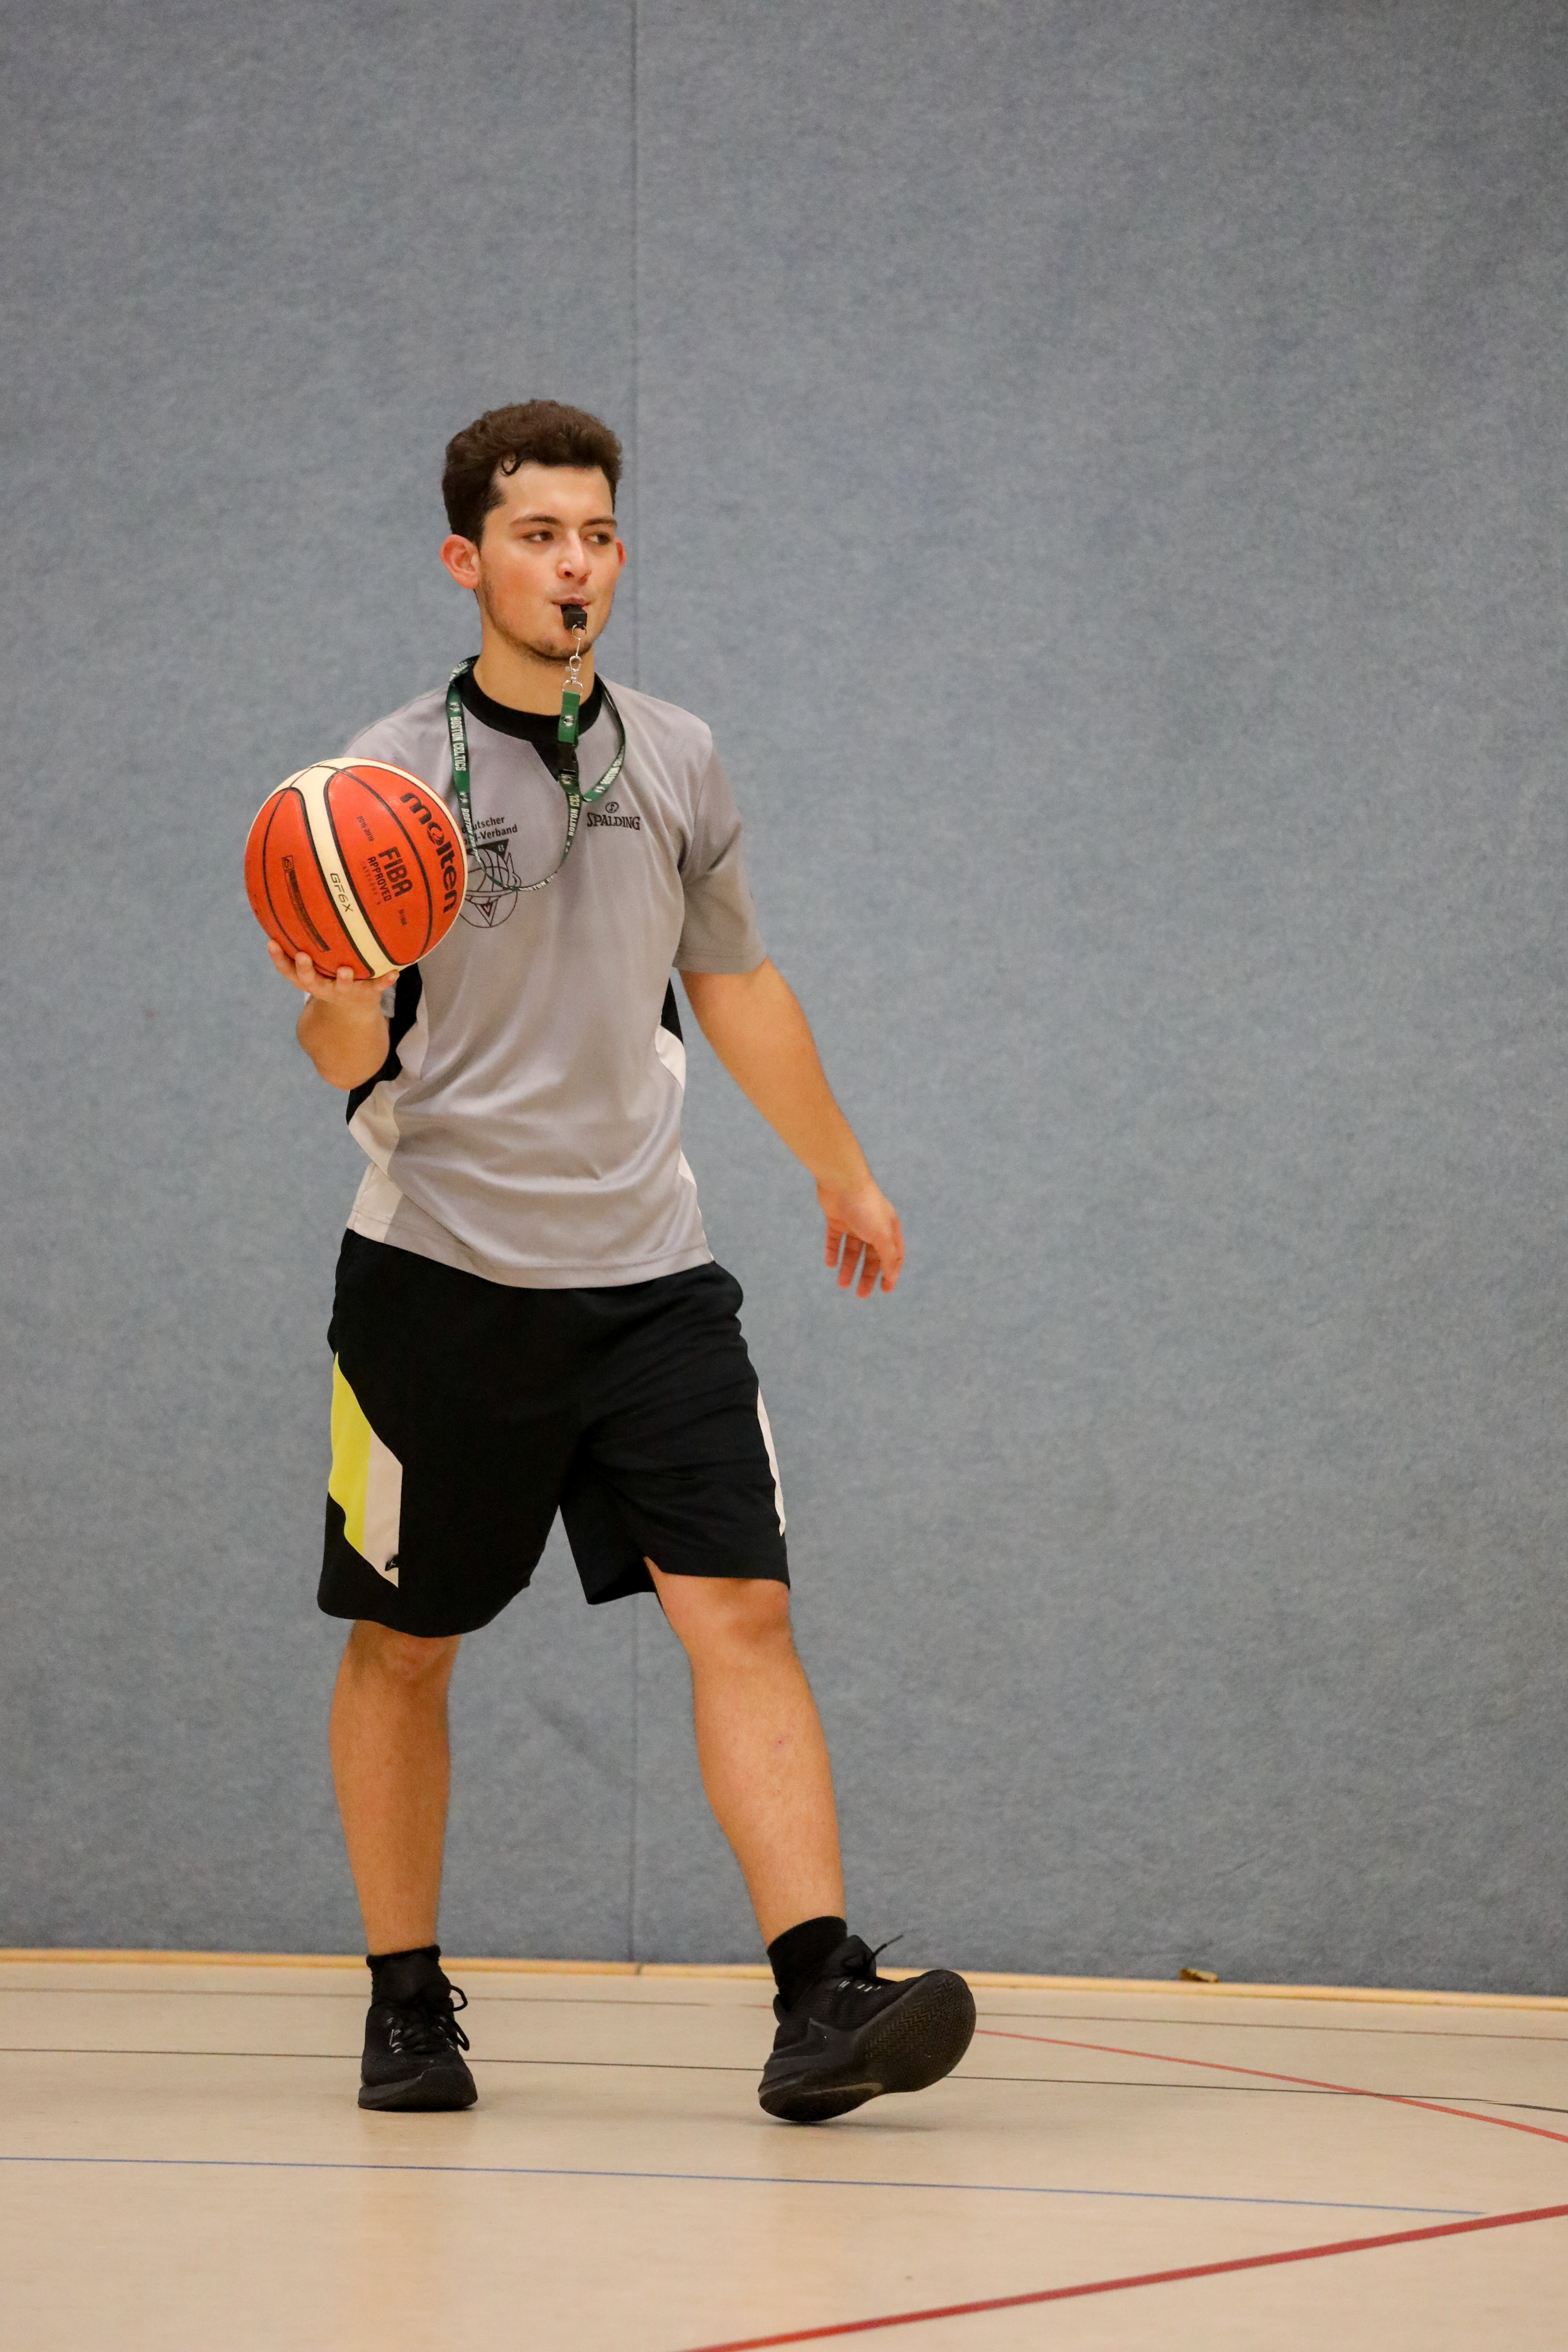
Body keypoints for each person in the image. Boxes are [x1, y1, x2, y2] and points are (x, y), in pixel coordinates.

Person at [266, 399, 975, 2122]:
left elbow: (732, 981)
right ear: (468, 561)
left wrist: (842, 1169)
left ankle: (819, 1996)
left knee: (743, 1607)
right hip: (439, 1280)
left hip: (653, 1278)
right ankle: (406, 2005)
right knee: (406, 1645)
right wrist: (337, 991)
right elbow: (342, 1046)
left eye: (595, 536)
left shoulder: (677, 757)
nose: (572, 564)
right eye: (536, 536)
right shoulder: (380, 785)